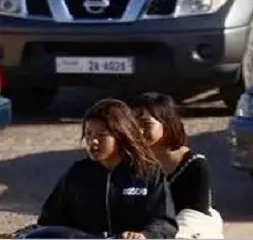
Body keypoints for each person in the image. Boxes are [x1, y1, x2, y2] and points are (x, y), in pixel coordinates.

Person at [34, 98, 177, 239]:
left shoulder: (148, 173)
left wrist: (145, 235)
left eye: (101, 136)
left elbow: (165, 223)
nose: (93, 142)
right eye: (88, 134)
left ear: (121, 135)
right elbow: (49, 223)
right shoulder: (77, 173)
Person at [129, 93, 219, 238]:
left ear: (167, 123)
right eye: (133, 126)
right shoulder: (131, 162)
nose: (138, 132)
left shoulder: (195, 165)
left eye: (146, 124)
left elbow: (196, 218)